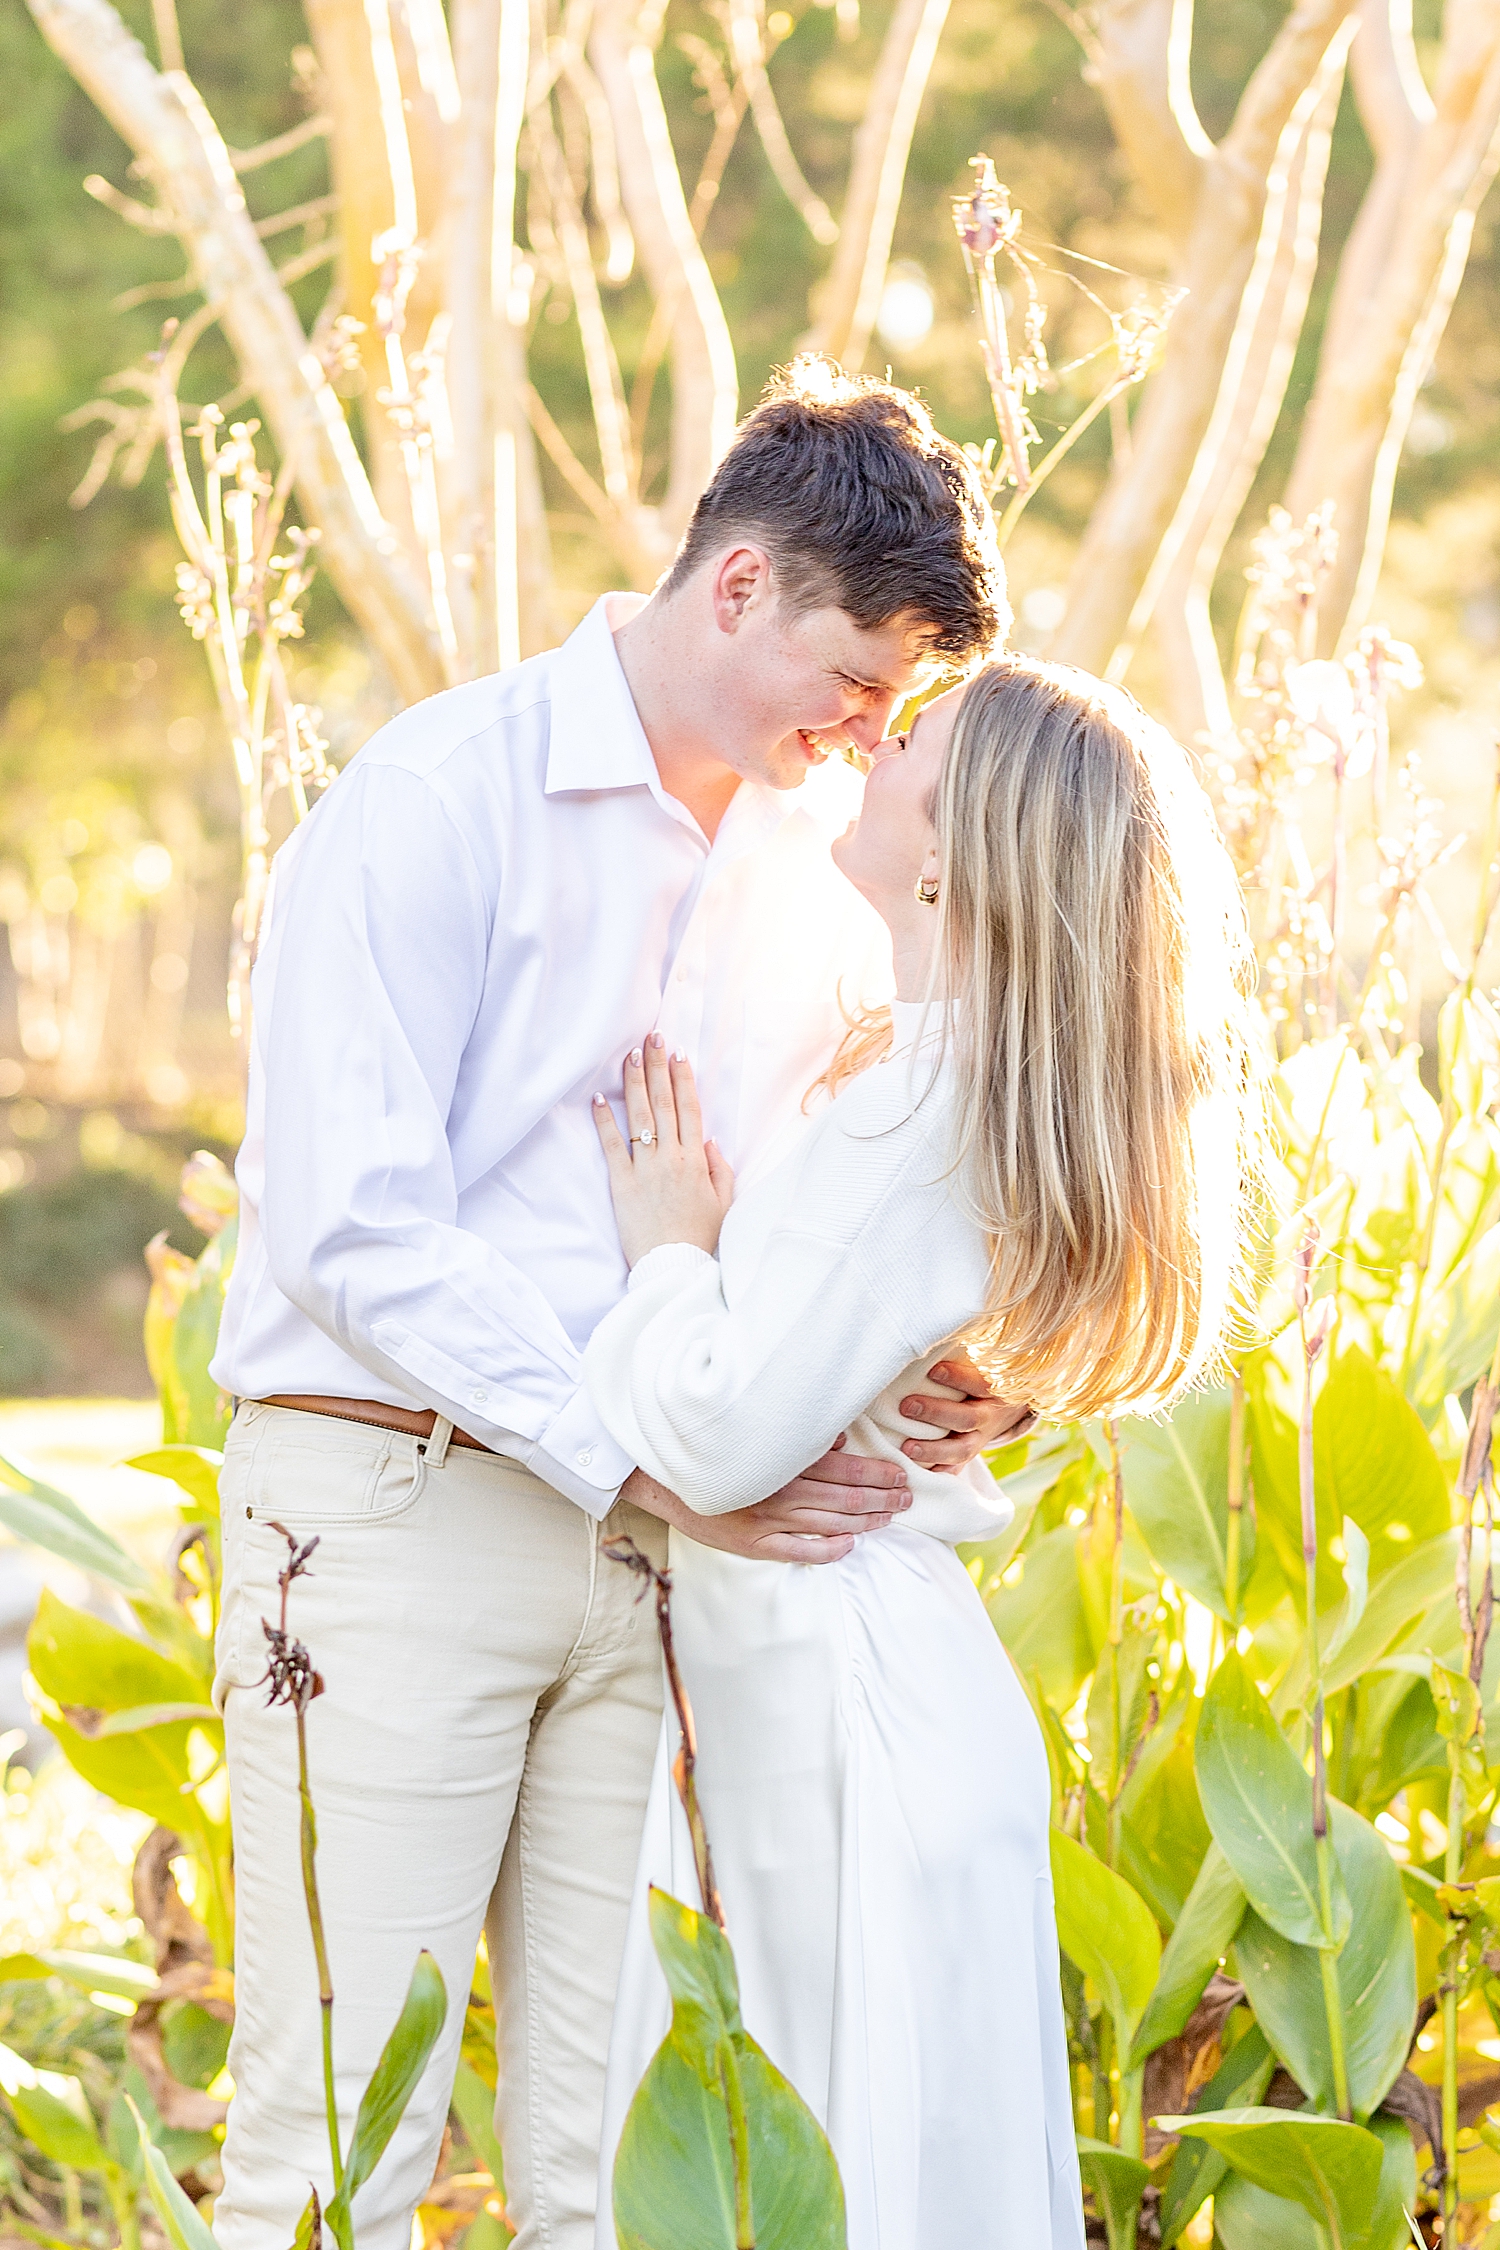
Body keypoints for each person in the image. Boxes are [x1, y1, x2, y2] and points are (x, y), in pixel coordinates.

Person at [207, 359, 1032, 2250]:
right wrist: (645, 1462)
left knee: (616, 2167)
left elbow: (814, 1218)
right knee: (340, 2142)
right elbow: (351, 1227)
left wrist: (937, 1374)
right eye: (858, 676)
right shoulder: (437, 796)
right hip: (392, 1515)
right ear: (737, 586)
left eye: (897, 701)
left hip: (666, 1572)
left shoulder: (806, 880)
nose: (869, 729)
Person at [584, 657, 1261, 2247]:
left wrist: (668, 1246)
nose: (875, 749)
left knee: (823, 2171)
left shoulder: (914, 1109)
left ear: (958, 851)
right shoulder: (964, 1089)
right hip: (896, 1687)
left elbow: (726, 1431)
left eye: (917, 743)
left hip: (837, 1707)